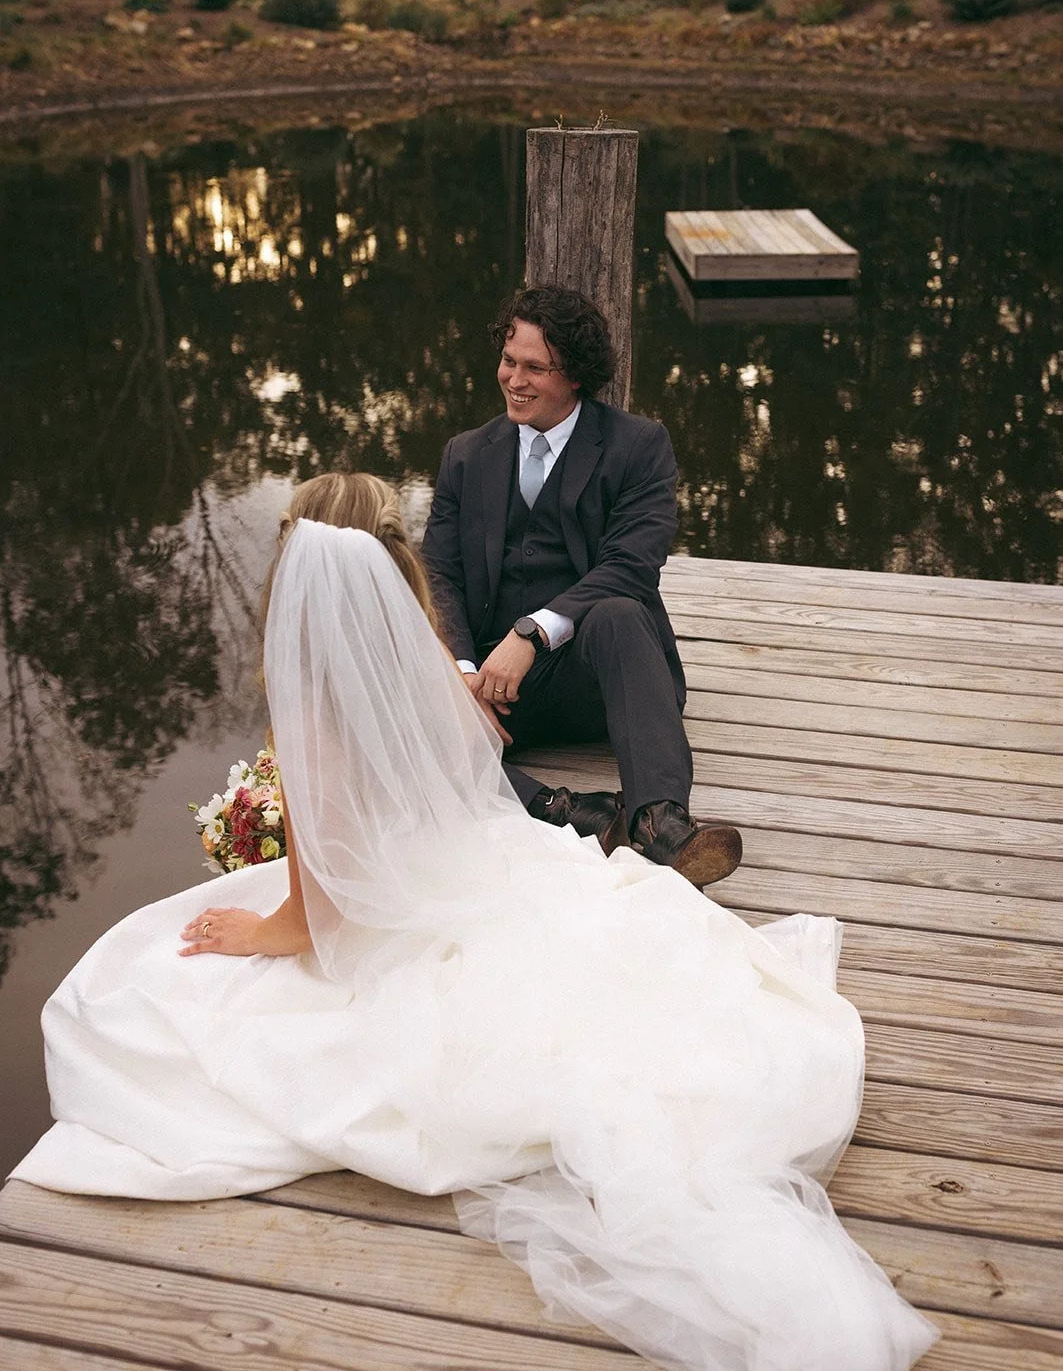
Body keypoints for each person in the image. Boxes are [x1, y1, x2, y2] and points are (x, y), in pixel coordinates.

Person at [11, 473, 937, 1371]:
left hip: (393, 922)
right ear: (394, 567)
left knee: (140, 1001)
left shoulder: (313, 710)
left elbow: (320, 917)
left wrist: (256, 933)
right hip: (477, 875)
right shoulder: (421, 668)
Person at [421, 285, 741, 889]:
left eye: (534, 368)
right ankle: (574, 811)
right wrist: (462, 673)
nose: (514, 379)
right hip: (497, 693)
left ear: (575, 376)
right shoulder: (466, 455)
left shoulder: (638, 447)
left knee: (620, 609)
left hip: (599, 677)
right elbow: (438, 573)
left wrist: (533, 632)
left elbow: (632, 563)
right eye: (509, 361)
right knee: (389, 715)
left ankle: (660, 823)